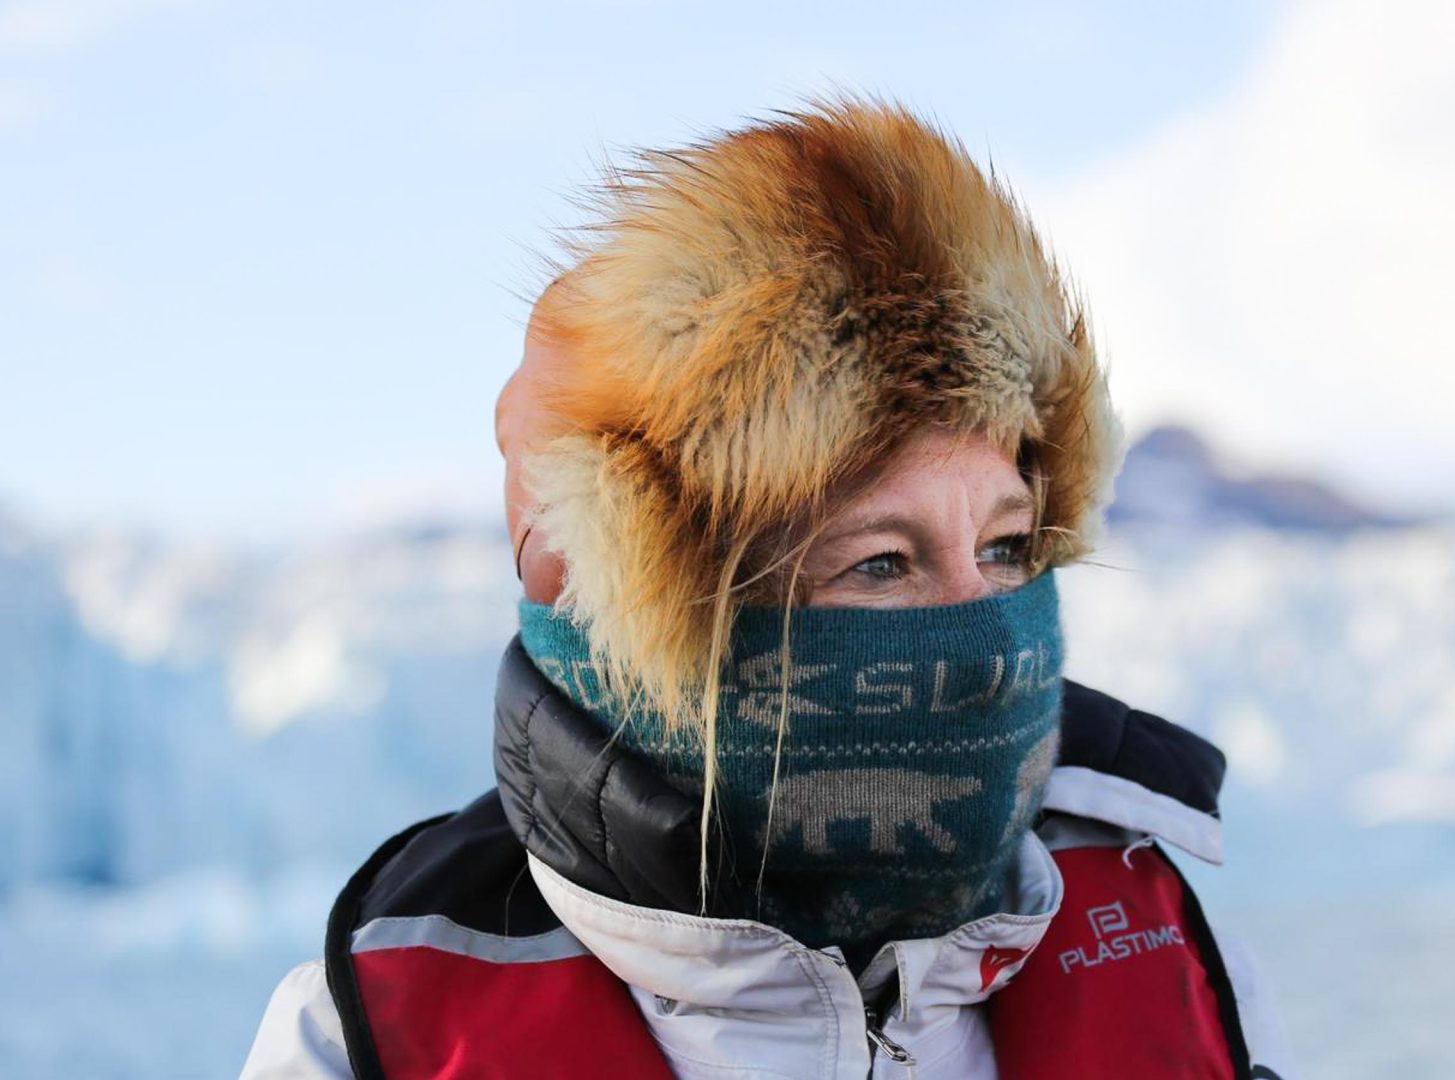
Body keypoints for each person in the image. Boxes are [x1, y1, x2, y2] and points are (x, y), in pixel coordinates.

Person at [242, 97, 1297, 1079]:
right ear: (663, 630)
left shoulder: (1175, 968)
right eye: (880, 561)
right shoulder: (377, 1038)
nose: (983, 639)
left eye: (1010, 549)